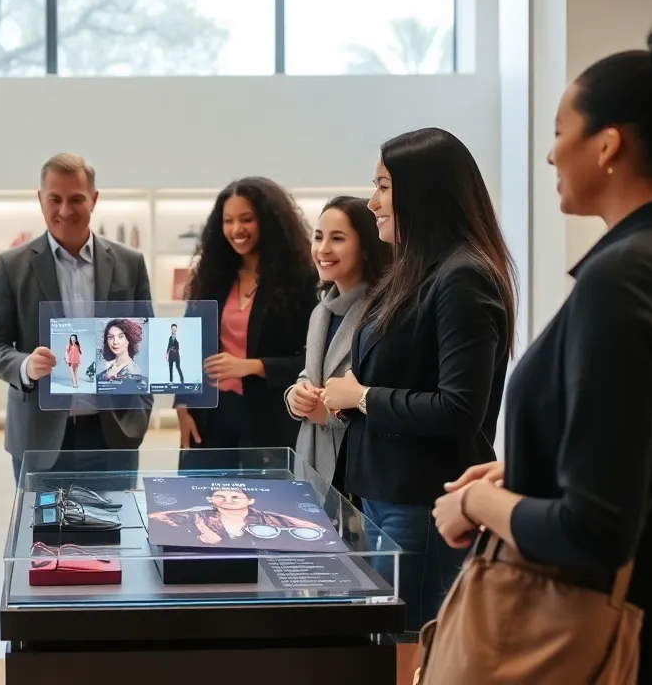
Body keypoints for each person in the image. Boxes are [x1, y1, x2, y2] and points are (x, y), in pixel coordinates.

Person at [432, 13, 652, 683]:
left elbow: (595, 532)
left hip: (604, 647)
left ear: (607, 146)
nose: (550, 155)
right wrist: (525, 474)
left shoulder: (625, 278)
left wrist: (475, 505)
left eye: (558, 134)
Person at [319, 127, 517, 634]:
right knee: (390, 639)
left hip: (423, 498)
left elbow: (458, 409)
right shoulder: (416, 271)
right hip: (385, 490)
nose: (373, 202)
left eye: (384, 186)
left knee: (411, 640)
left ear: (422, 190)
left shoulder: (462, 277)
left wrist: (362, 397)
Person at [0, 153, 153, 483]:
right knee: (43, 534)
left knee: (117, 533)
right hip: (38, 439)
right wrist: (25, 365)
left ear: (94, 199)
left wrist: (141, 412)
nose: (64, 211)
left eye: (76, 199)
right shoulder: (11, 266)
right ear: (40, 198)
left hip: (113, 436)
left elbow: (145, 341)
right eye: (54, 199)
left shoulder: (130, 263)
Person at [176, 177, 318, 472]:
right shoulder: (211, 276)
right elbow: (187, 343)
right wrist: (182, 405)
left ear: (269, 221)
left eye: (246, 219)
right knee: (201, 504)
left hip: (269, 414)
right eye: (228, 221)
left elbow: (311, 362)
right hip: (210, 414)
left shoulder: (301, 282)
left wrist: (251, 365)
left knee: (266, 506)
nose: (236, 230)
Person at [284, 196, 392, 486]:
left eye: (338, 238)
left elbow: (385, 395)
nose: (323, 249)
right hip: (312, 460)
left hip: (358, 468)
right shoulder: (321, 310)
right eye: (318, 237)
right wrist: (296, 394)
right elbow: (312, 373)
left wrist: (329, 415)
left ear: (367, 247)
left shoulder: (383, 313)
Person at [149, 487, 325, 546]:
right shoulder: (198, 516)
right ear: (210, 500)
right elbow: (155, 517)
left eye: (235, 496)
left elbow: (316, 529)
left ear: (250, 500)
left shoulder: (270, 518)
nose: (228, 500)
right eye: (221, 496)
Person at [99, 318, 144, 382]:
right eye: (110, 337)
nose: (115, 342)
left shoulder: (133, 372)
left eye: (120, 336)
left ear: (129, 339)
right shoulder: (111, 367)